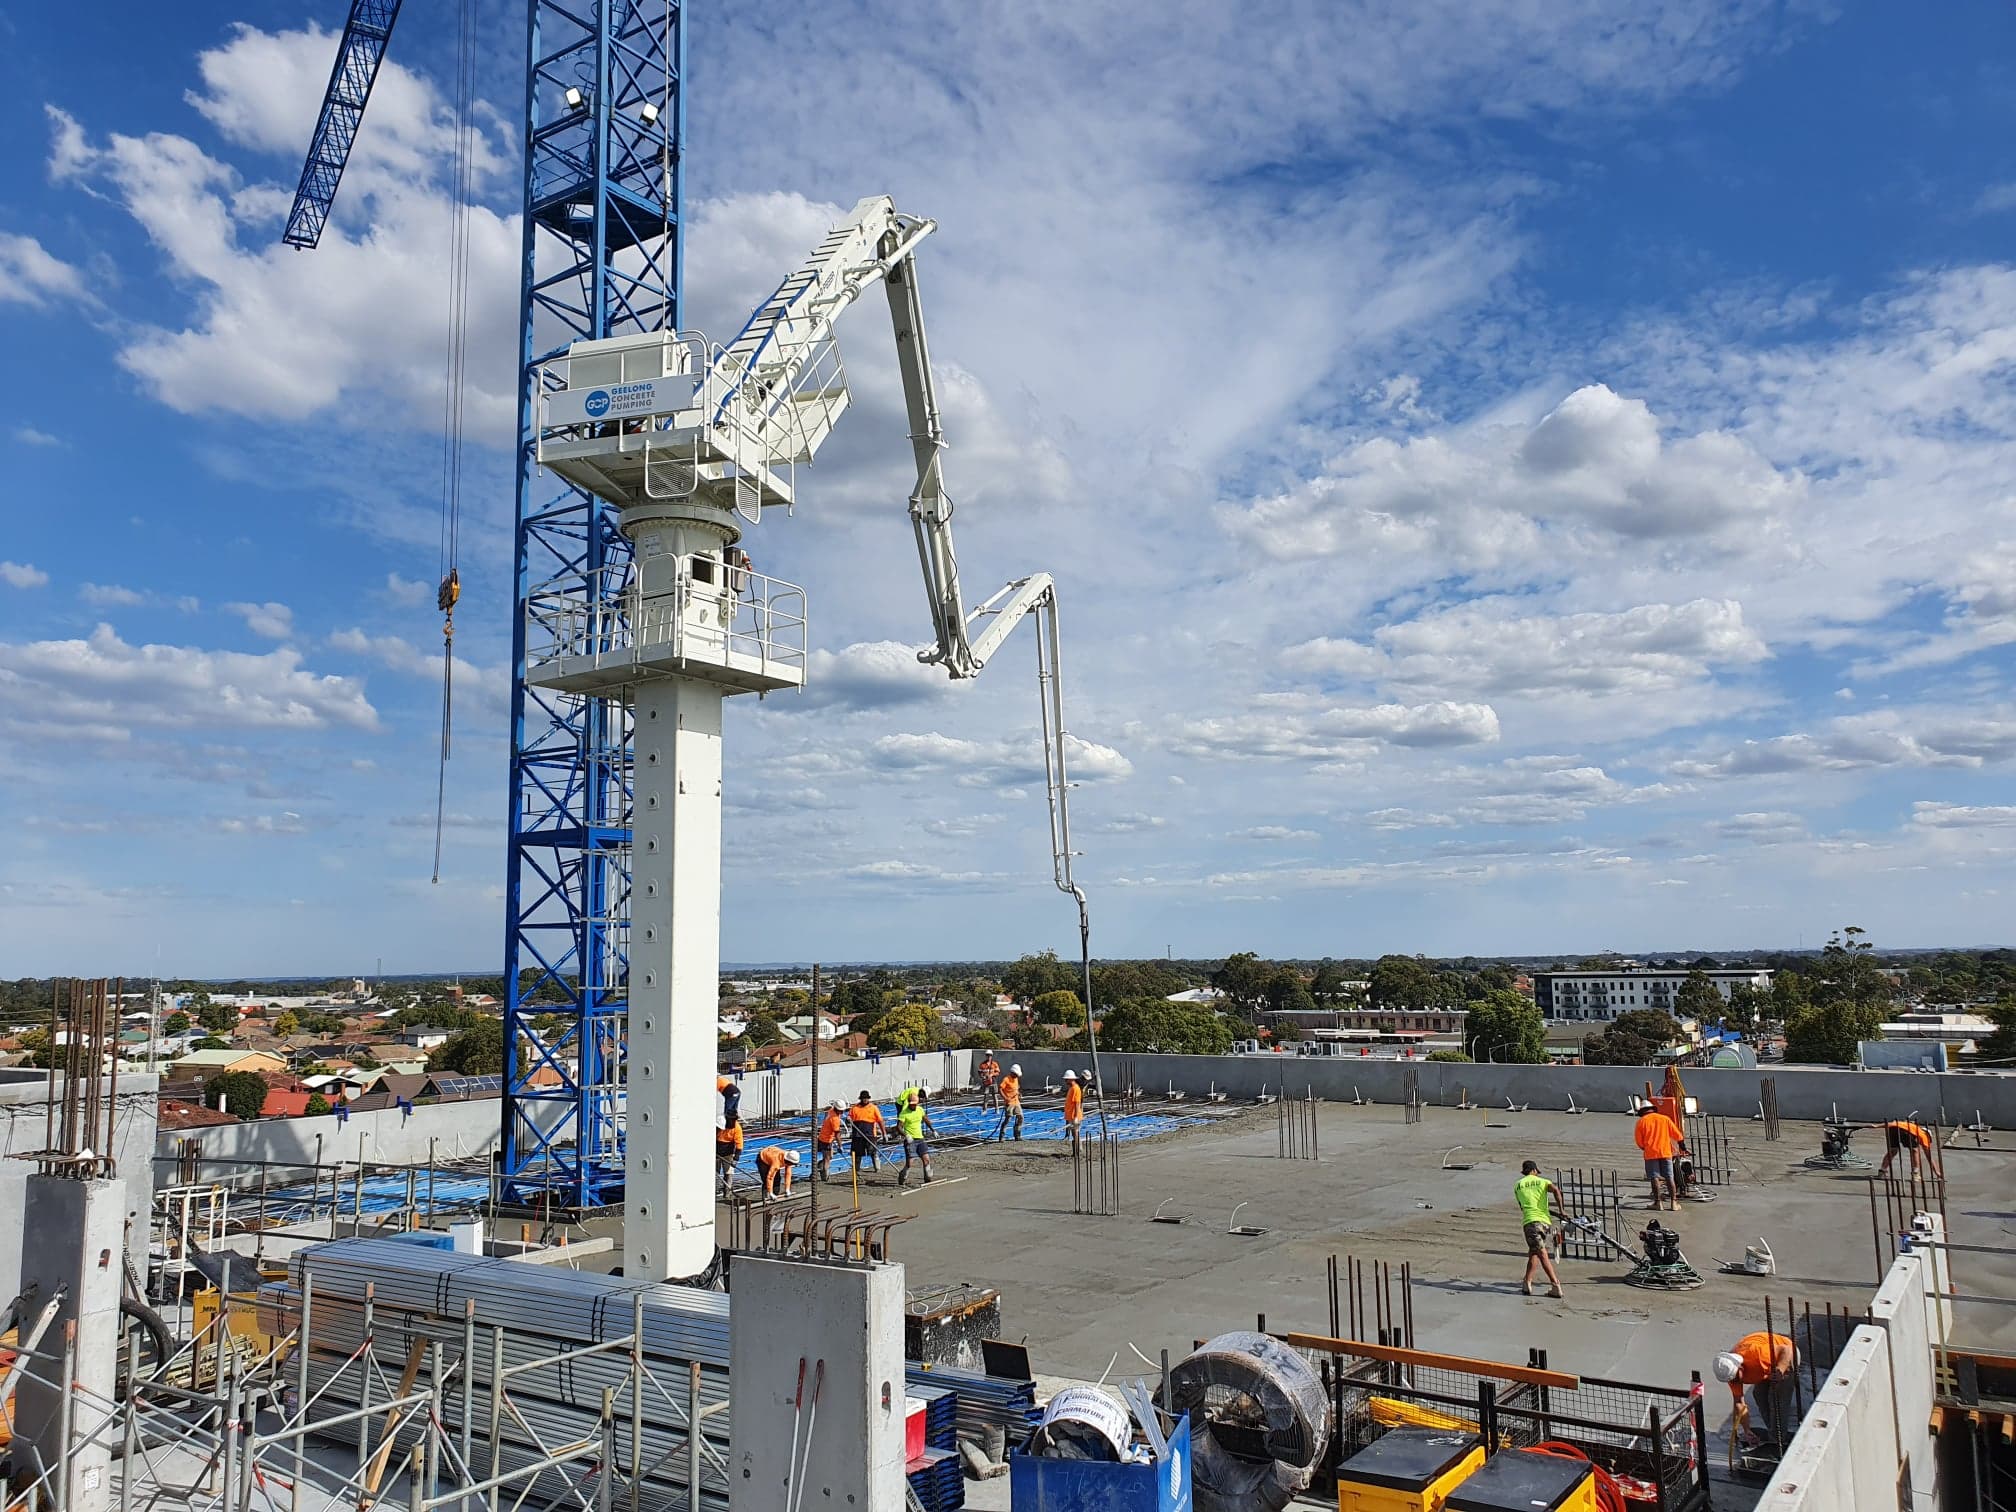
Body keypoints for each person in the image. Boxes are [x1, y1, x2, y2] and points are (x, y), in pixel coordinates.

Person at [1715, 1332, 1797, 1445]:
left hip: (1787, 1356)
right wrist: (1746, 1430)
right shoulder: (1730, 1373)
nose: (1737, 1382)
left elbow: (1786, 1350)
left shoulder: (1757, 1354)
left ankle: (1778, 1440)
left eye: (1737, 1377)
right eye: (1733, 1380)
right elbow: (1739, 1403)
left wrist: (1780, 1370)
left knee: (1777, 1399)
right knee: (1759, 1394)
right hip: (1766, 1366)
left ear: (1740, 1367)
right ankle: (1776, 1432)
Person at [1514, 1160, 1565, 1298]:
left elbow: (1522, 1206)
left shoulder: (1518, 1185)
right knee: (1537, 1252)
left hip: (1530, 1222)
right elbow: (1556, 1191)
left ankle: (1550, 1284)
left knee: (1538, 1252)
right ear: (1534, 1170)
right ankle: (1533, 1283)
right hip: (1544, 1222)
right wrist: (1561, 1210)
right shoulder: (1543, 1182)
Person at [1634, 1103, 1687, 1211]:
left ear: (1642, 1111)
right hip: (1666, 1152)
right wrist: (1683, 1147)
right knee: (1669, 1177)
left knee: (1654, 1177)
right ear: (1652, 1109)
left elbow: (1639, 1141)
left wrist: (1645, 1148)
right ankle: (1674, 1203)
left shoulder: (1641, 1122)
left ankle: (1658, 1203)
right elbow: (1678, 1135)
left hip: (1651, 1153)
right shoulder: (1665, 1119)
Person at [1878, 1119, 1943, 1181]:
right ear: (1928, 1135)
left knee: (1893, 1151)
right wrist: (1937, 1172)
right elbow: (1929, 1156)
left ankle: (1882, 1171)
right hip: (1904, 1131)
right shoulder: (1924, 1135)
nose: (1920, 1143)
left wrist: (1876, 1126)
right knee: (1915, 1151)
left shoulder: (1913, 1128)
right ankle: (1915, 1174)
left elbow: (1891, 1124)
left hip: (1892, 1129)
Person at [896, 1087, 935, 1187]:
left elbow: (926, 1119)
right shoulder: (904, 1113)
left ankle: (927, 1178)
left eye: (915, 1104)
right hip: (911, 1140)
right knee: (910, 1163)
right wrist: (906, 1135)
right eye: (912, 1104)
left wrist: (933, 1130)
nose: (913, 1106)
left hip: (920, 1139)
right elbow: (899, 1127)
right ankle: (902, 1177)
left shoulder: (920, 1110)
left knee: (926, 1159)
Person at [847, 1090, 886, 1175]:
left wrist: (884, 1134)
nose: (865, 1100)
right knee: (857, 1154)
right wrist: (849, 1119)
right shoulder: (855, 1108)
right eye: (863, 1098)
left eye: (866, 1098)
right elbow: (849, 1117)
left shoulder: (873, 1108)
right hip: (857, 1134)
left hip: (870, 1134)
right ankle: (857, 1170)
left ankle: (877, 1168)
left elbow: (880, 1121)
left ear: (868, 1098)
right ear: (861, 1099)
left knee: (873, 1152)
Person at [814, 1099, 845, 1180]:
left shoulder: (831, 1111)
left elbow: (827, 1110)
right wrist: (840, 1145)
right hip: (826, 1140)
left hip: (823, 1137)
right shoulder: (835, 1119)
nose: (842, 1113)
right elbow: (837, 1133)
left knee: (829, 1156)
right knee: (827, 1158)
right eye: (841, 1111)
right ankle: (825, 1176)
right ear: (837, 1109)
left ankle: (820, 1166)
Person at [715, 1112, 744, 1196]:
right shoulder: (716, 1126)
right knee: (714, 1174)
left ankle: (727, 1193)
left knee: (729, 1173)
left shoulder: (736, 1128)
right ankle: (713, 1194)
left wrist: (736, 1159)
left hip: (728, 1153)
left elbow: (739, 1145)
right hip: (716, 1152)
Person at [994, 1064, 1024, 1142]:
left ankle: (1017, 1135)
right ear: (1013, 1072)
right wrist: (1005, 1098)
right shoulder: (1006, 1079)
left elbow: (1016, 1088)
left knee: (1020, 1117)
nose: (1017, 1076)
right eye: (1016, 1074)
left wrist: (1018, 1093)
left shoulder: (1016, 1079)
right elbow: (1000, 1089)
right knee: (1008, 1119)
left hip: (1016, 1102)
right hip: (1009, 1103)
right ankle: (1002, 1136)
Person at [1061, 1069, 1083, 1147]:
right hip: (1071, 1116)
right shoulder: (1071, 1088)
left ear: (1071, 1079)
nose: (1065, 1081)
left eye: (1066, 1079)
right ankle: (1076, 1151)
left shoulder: (1076, 1089)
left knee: (1075, 1133)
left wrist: (1076, 1117)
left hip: (1074, 1116)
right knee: (1074, 1134)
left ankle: (1077, 1151)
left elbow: (1077, 1103)